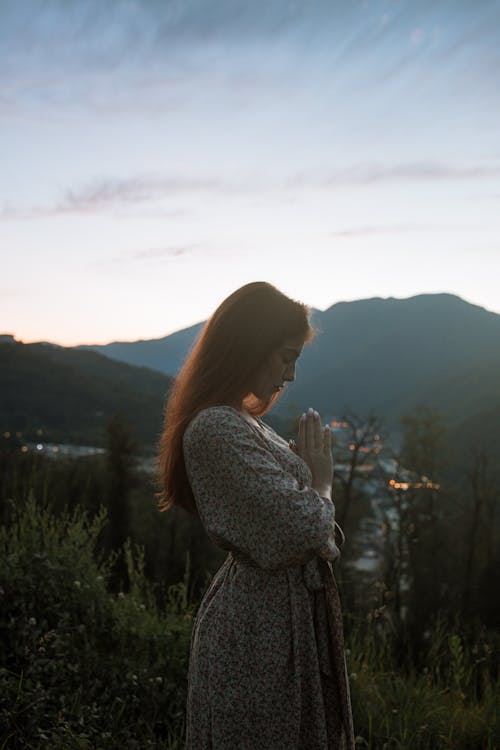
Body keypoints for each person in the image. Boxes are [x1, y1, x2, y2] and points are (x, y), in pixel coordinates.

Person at [156, 281, 355, 750]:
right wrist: (320, 480)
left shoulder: (245, 423)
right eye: (285, 357)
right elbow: (306, 527)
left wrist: (312, 506)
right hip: (257, 632)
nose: (289, 376)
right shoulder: (214, 428)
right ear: (251, 346)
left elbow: (317, 533)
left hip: (285, 619)